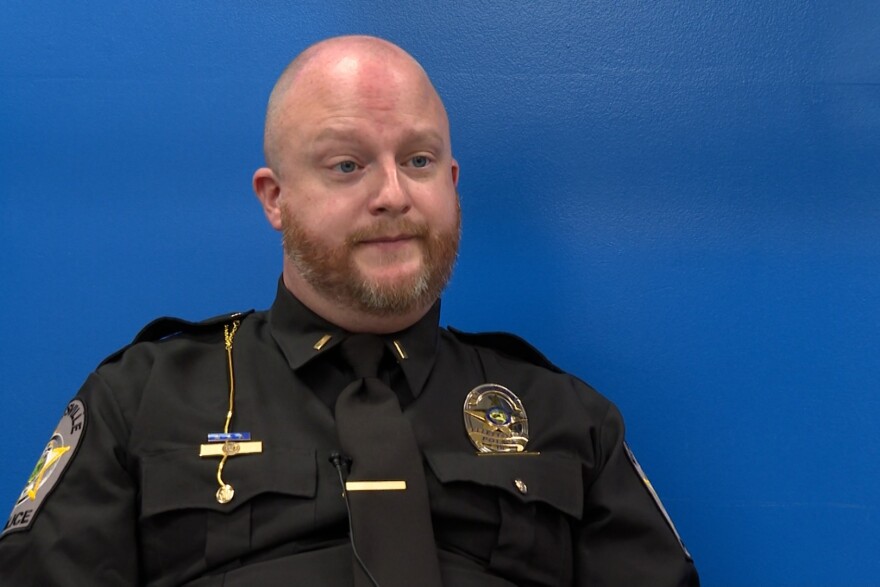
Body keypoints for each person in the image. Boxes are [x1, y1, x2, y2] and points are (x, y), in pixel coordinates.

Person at [0, 35, 699, 586]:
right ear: (274, 198)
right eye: (347, 165)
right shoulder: (143, 398)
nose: (393, 194)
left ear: (452, 185)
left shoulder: (562, 415)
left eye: (419, 161)